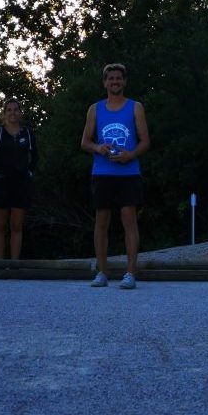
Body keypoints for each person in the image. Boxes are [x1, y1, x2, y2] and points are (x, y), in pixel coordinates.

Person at [80, 63, 151, 289]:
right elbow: (84, 142)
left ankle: (130, 273)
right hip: (102, 171)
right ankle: (102, 272)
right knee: (101, 222)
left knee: (129, 220)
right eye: (110, 78)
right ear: (104, 82)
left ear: (125, 81)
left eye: (118, 78)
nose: (114, 82)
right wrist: (98, 148)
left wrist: (130, 155)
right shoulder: (95, 109)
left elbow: (146, 141)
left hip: (128, 172)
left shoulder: (135, 107)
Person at [0, 98, 38, 260]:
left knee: (17, 226)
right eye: (9, 110)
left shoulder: (27, 133)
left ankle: (14, 264)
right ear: (3, 113)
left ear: (20, 112)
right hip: (1, 183)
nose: (12, 112)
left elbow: (35, 156)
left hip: (21, 184)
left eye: (16, 109)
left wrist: (29, 172)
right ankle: (0, 264)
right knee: (1, 226)